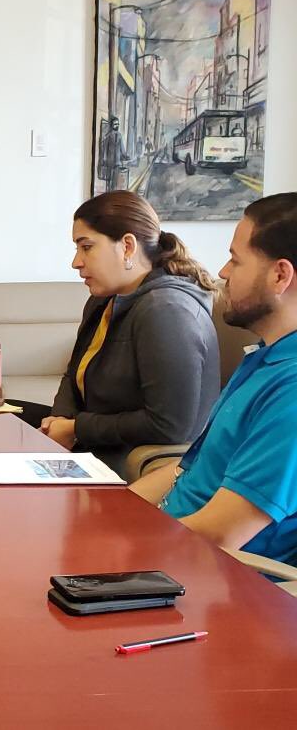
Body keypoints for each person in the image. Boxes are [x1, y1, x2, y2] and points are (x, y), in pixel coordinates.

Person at [131, 193, 297, 565]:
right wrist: (112, 513)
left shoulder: (292, 390)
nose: (223, 271)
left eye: (236, 260)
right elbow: (185, 469)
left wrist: (127, 547)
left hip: (216, 584)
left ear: (280, 275)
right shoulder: (265, 357)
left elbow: (222, 534)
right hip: (173, 554)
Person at [39, 190, 220, 476]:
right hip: (92, 443)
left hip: (125, 460)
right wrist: (59, 419)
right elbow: (73, 373)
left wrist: (75, 428)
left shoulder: (167, 310)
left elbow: (170, 425)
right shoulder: (103, 299)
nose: (76, 261)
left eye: (86, 247)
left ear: (127, 246)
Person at [98, 117, 129, 192]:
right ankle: (108, 191)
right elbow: (105, 148)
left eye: (118, 124)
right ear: (112, 125)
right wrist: (104, 159)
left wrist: (125, 156)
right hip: (109, 161)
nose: (117, 125)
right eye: (115, 124)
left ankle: (113, 192)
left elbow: (122, 148)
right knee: (109, 179)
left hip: (117, 162)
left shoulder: (119, 136)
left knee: (115, 179)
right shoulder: (108, 136)